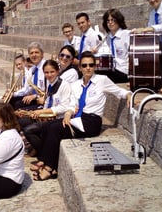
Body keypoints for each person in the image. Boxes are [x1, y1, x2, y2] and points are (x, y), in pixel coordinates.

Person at [32, 52, 132, 181]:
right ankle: (46, 160)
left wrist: (128, 95)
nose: (88, 68)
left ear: (95, 66)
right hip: (77, 118)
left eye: (91, 65)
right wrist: (68, 113)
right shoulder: (76, 84)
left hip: (92, 120)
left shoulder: (102, 80)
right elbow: (73, 104)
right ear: (80, 67)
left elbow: (119, 91)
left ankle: (49, 168)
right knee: (47, 126)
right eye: (84, 65)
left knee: (55, 129)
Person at [20, 60, 73, 156]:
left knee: (28, 130)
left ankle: (43, 154)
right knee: (21, 121)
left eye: (52, 72)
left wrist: (41, 112)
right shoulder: (50, 84)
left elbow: (64, 107)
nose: (49, 75)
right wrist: (39, 113)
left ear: (58, 71)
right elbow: (47, 102)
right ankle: (37, 148)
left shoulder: (65, 85)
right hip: (47, 116)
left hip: (57, 118)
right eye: (46, 72)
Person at [9, 42, 46, 110]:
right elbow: (27, 89)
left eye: (36, 52)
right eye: (31, 53)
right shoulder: (32, 69)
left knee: (17, 106)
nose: (34, 55)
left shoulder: (46, 67)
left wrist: (35, 96)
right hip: (34, 98)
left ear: (42, 54)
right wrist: (12, 94)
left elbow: (49, 91)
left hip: (43, 101)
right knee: (11, 101)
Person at [102, 8, 130, 83]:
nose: (110, 23)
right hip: (113, 69)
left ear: (118, 20)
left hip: (124, 71)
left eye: (113, 20)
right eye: (108, 21)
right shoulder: (108, 38)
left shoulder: (126, 34)